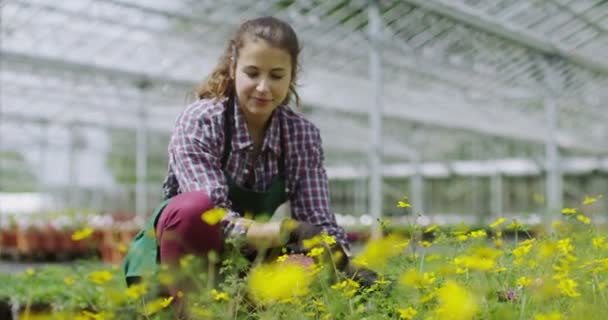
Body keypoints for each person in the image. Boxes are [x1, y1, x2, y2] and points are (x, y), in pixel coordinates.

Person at [123, 16, 377, 310]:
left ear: (292, 76)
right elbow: (215, 219)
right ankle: (185, 312)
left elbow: (318, 220)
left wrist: (344, 263)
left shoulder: (301, 135)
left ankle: (245, 307)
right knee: (193, 209)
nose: (263, 87)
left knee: (308, 269)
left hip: (245, 259)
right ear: (233, 68)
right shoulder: (202, 120)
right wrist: (286, 230)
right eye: (252, 73)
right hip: (181, 259)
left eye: (277, 75)